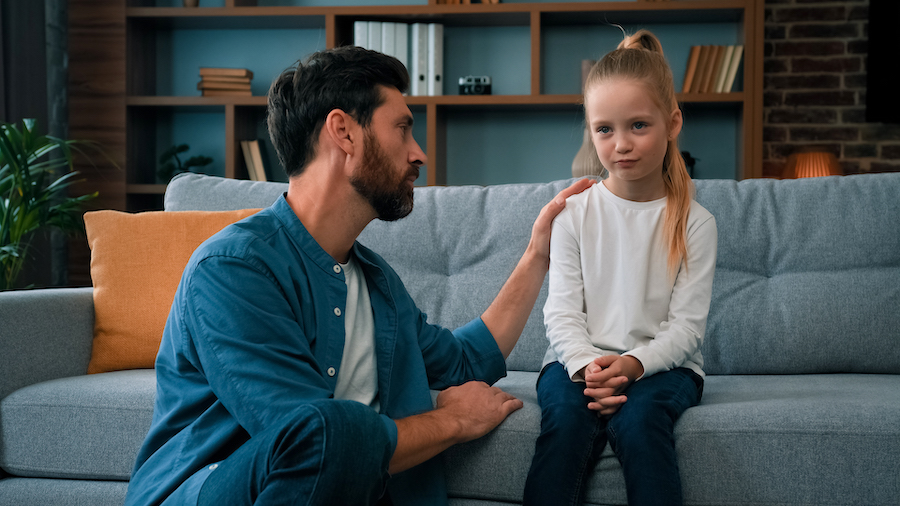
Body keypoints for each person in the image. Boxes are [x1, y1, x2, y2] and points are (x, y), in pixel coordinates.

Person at [123, 46, 593, 506]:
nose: (419, 154)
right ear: (344, 133)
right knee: (331, 426)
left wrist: (537, 255)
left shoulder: (376, 283)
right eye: (404, 129)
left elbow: (465, 362)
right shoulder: (233, 269)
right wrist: (450, 422)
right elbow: (309, 436)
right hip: (214, 490)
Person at [523, 30, 718, 506]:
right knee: (566, 423)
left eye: (638, 126)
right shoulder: (575, 214)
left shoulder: (696, 221)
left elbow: (686, 329)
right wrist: (591, 367)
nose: (621, 145)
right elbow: (562, 313)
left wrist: (633, 365)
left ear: (672, 123)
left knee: (639, 422)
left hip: (664, 368)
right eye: (604, 129)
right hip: (575, 363)